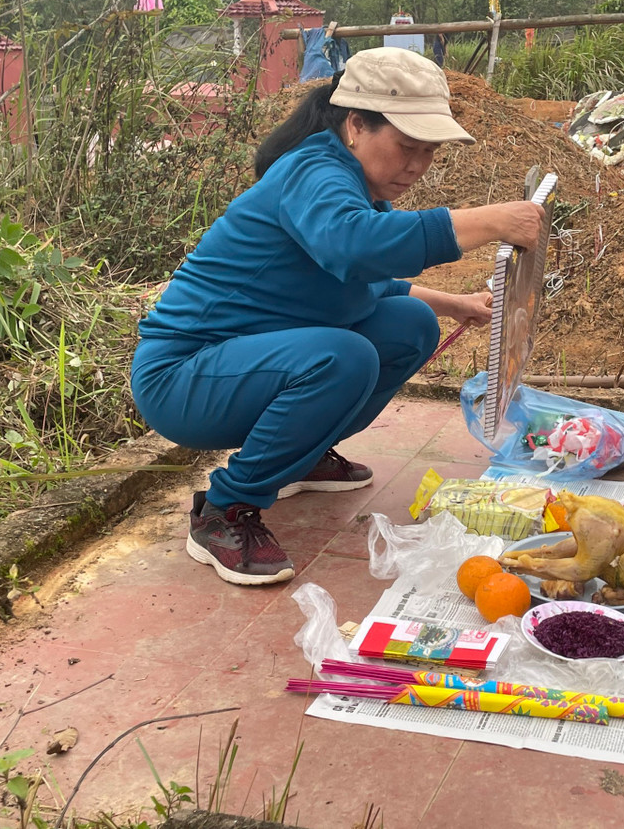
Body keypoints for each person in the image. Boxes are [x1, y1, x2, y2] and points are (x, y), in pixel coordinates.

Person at [130, 47, 543, 586]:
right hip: (183, 377)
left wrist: (453, 303)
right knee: (343, 358)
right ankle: (224, 510)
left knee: (412, 324)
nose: (417, 166)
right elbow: (356, 246)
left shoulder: (354, 183)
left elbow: (364, 279)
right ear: (355, 125)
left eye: (430, 152)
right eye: (407, 147)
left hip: (245, 359)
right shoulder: (313, 172)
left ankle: (300, 456)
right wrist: (491, 221)